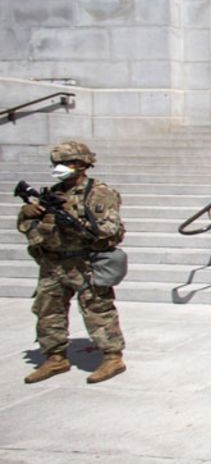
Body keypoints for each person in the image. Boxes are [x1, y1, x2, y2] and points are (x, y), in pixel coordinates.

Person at [18, 141, 128, 384]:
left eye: (64, 163)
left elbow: (110, 230)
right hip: (53, 263)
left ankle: (112, 356)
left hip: (85, 263)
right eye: (55, 164)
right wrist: (27, 215)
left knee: (98, 310)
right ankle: (55, 357)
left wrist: (74, 215)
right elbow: (31, 229)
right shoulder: (52, 193)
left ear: (81, 165)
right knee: (48, 312)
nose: (58, 168)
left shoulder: (100, 193)